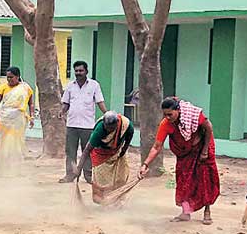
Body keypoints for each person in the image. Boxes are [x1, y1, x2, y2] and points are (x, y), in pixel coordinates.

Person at [140, 96, 220, 224]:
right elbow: (157, 146)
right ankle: (186, 212)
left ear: (178, 110)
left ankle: (207, 211)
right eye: (165, 115)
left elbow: (208, 127)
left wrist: (205, 151)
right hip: (185, 153)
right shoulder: (166, 124)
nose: (167, 117)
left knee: (204, 179)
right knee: (184, 181)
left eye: (170, 114)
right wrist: (145, 164)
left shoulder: (192, 114)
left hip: (202, 148)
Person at [59, 61, 108, 183]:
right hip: (72, 125)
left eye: (81, 71)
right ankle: (70, 175)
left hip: (88, 125)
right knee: (70, 151)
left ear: (86, 71)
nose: (78, 73)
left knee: (88, 151)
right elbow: (66, 103)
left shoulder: (94, 85)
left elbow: (99, 102)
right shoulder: (70, 86)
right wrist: (62, 112)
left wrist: (106, 114)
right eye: (76, 71)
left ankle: (88, 176)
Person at [74, 111, 134, 205]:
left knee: (121, 176)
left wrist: (123, 151)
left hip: (117, 151)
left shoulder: (125, 125)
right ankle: (104, 200)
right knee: (100, 188)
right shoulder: (99, 130)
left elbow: (129, 138)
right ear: (104, 124)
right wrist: (78, 170)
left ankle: (118, 199)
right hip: (100, 154)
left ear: (117, 124)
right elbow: (87, 150)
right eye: (107, 127)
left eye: (111, 128)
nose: (109, 130)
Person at [0, 66, 34, 177]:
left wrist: (31, 117)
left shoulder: (25, 88)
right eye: (7, 78)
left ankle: (16, 170)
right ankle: (3, 170)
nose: (9, 80)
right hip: (5, 120)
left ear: (17, 77)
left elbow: (30, 103)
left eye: (11, 77)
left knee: (17, 145)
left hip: (18, 120)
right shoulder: (3, 87)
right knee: (4, 144)